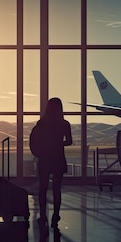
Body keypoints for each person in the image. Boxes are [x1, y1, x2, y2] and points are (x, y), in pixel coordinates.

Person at [36, 97, 72, 228]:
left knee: (43, 188)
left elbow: (36, 140)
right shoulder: (64, 124)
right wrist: (58, 143)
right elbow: (69, 141)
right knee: (57, 189)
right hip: (58, 157)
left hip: (45, 158)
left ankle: (42, 214)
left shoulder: (42, 123)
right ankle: (56, 215)